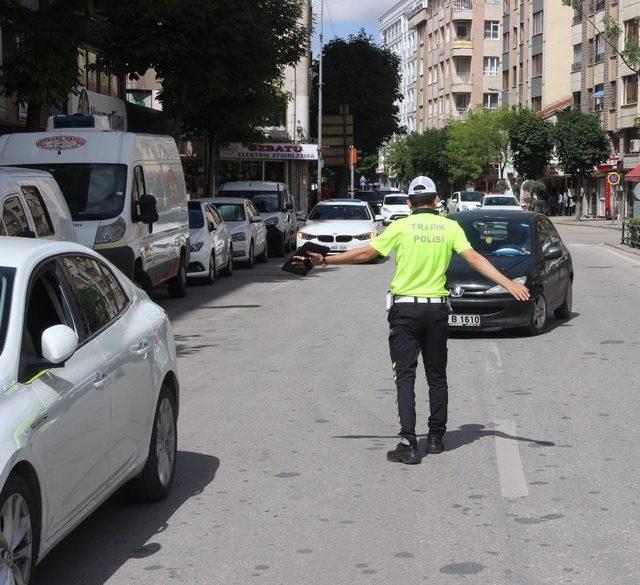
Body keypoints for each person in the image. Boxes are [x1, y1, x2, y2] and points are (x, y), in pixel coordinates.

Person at [294, 182, 530, 465]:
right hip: (437, 311)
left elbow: (367, 253)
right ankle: (435, 439)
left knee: (404, 376)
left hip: (405, 310)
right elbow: (475, 258)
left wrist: (326, 261)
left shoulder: (401, 227)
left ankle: (408, 443)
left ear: (409, 203)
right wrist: (508, 283)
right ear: (436, 201)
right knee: (436, 375)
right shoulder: (449, 227)